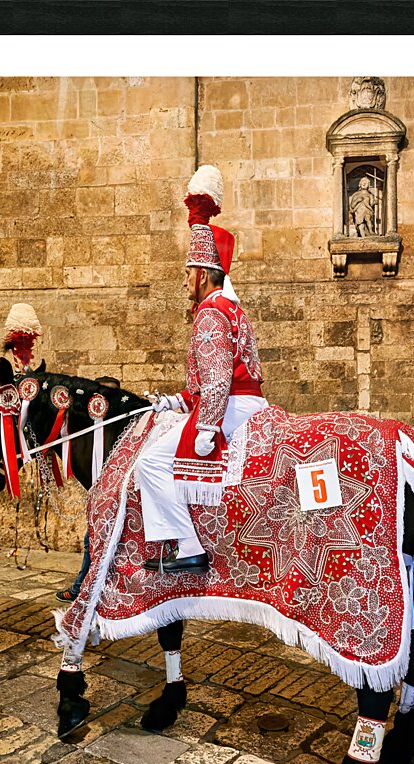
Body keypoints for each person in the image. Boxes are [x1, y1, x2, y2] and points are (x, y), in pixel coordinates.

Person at [136, 165, 267, 575]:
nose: (185, 281)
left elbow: (215, 383)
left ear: (204, 274)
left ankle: (189, 546)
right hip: (244, 402)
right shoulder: (229, 307)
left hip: (230, 407)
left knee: (150, 463)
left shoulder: (211, 312)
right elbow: (207, 380)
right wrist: (174, 400)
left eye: (188, 273)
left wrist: (206, 430)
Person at [55, 376, 121, 602]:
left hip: (117, 499)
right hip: (105, 500)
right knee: (91, 539)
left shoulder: (121, 427)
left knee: (91, 539)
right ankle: (84, 586)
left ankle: (80, 587)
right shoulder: (91, 429)